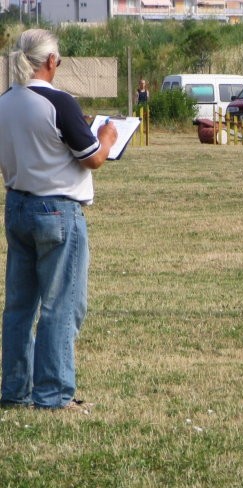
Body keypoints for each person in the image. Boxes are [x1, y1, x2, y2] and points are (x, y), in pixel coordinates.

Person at [0, 29, 117, 410]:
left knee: (19, 306)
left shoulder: (5, 102)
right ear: (51, 62)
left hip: (18, 204)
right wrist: (107, 135)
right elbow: (93, 157)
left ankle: (15, 390)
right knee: (61, 304)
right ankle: (53, 393)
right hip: (57, 210)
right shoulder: (59, 102)